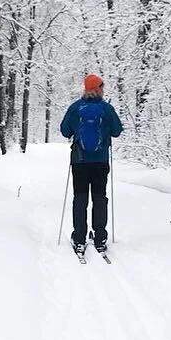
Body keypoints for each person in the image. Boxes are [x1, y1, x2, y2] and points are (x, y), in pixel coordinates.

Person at [60, 73, 123, 254]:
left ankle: (79, 238)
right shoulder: (107, 109)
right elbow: (117, 131)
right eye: (101, 87)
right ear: (98, 89)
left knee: (80, 198)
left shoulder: (75, 108)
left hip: (79, 161)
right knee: (99, 198)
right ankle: (100, 237)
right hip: (100, 161)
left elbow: (65, 131)